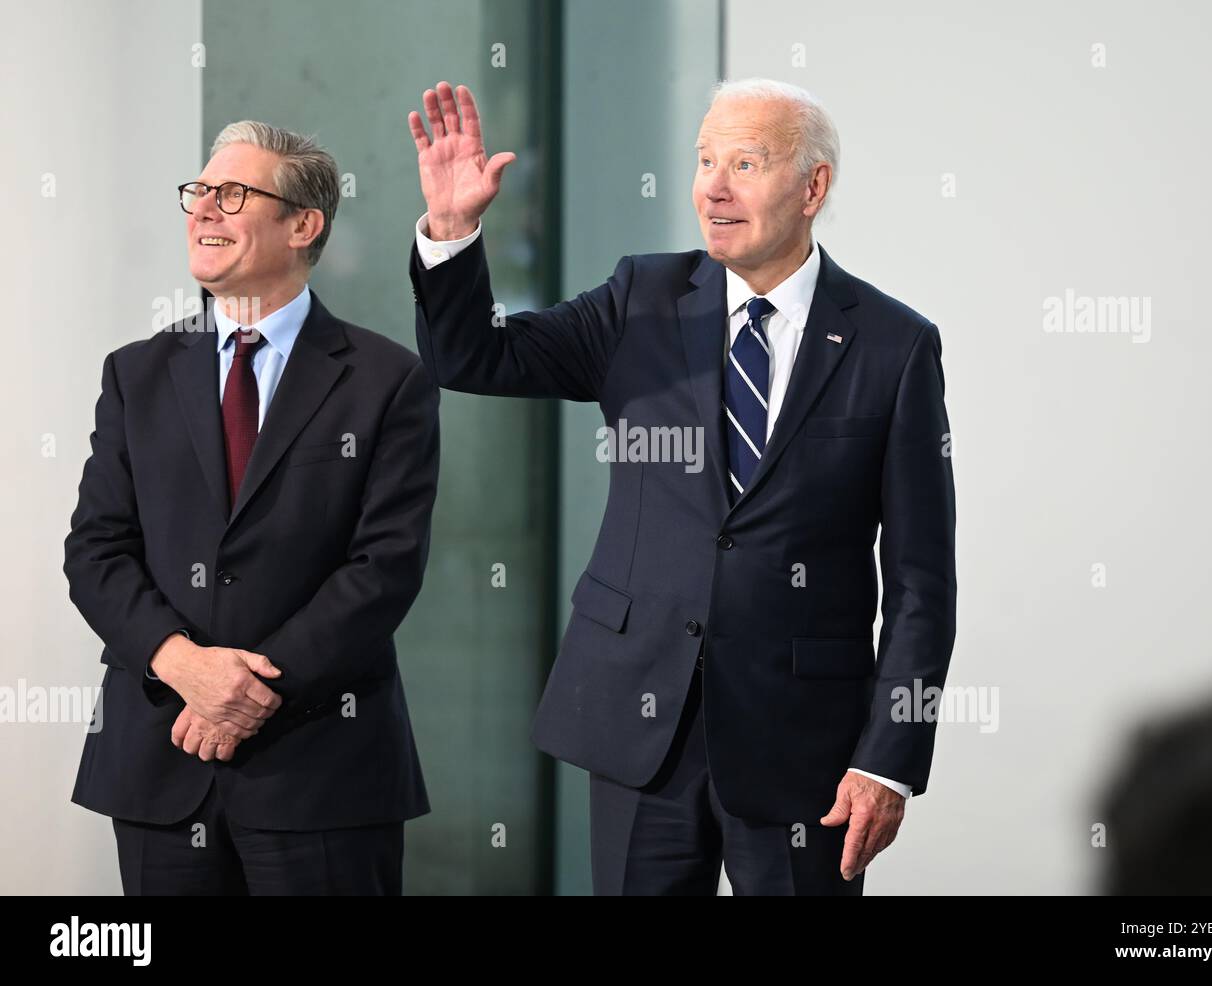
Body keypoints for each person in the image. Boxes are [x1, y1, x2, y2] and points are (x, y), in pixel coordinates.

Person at [407, 78, 956, 895]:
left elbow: (921, 582)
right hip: (639, 726)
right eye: (704, 161)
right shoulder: (645, 299)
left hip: (803, 746)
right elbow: (476, 357)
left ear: (814, 187)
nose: (714, 186)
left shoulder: (894, 345)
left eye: (744, 161)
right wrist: (453, 230)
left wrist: (889, 760)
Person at [65, 121, 439, 895]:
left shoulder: (386, 379)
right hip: (159, 761)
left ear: (303, 225)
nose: (203, 210)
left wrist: (246, 694)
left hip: (323, 769)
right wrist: (184, 666)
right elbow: (96, 551)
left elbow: (384, 569)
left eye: (231, 194)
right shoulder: (136, 374)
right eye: (197, 193)